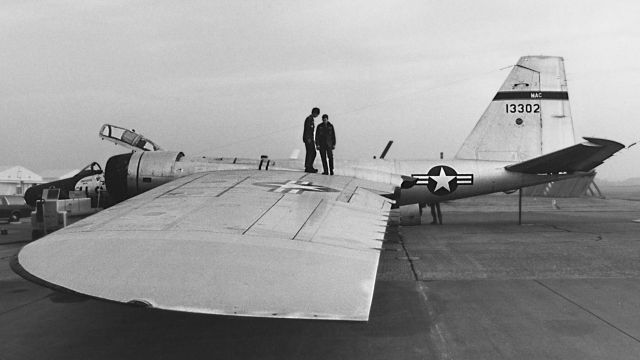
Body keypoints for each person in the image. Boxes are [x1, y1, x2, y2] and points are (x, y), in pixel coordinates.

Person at [303, 107, 320, 173]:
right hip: (308, 139)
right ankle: (308, 166)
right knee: (311, 152)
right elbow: (307, 130)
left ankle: (309, 166)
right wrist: (308, 139)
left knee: (312, 152)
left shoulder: (311, 119)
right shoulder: (309, 119)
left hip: (310, 138)